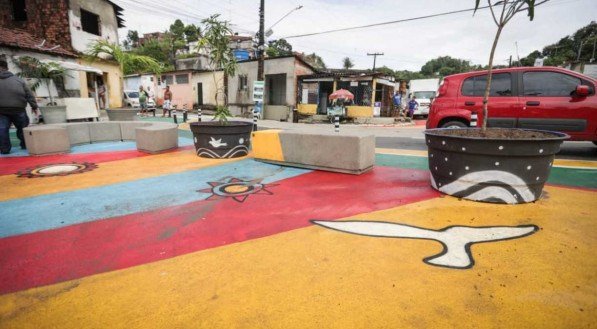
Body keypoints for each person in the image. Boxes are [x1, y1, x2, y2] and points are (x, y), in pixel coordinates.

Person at [0, 58, 39, 154]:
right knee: (23, 128)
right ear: (7, 68)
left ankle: (5, 149)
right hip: (19, 109)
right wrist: (34, 107)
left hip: (1, 110)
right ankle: (25, 145)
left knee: (2, 129)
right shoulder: (19, 80)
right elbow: (29, 94)